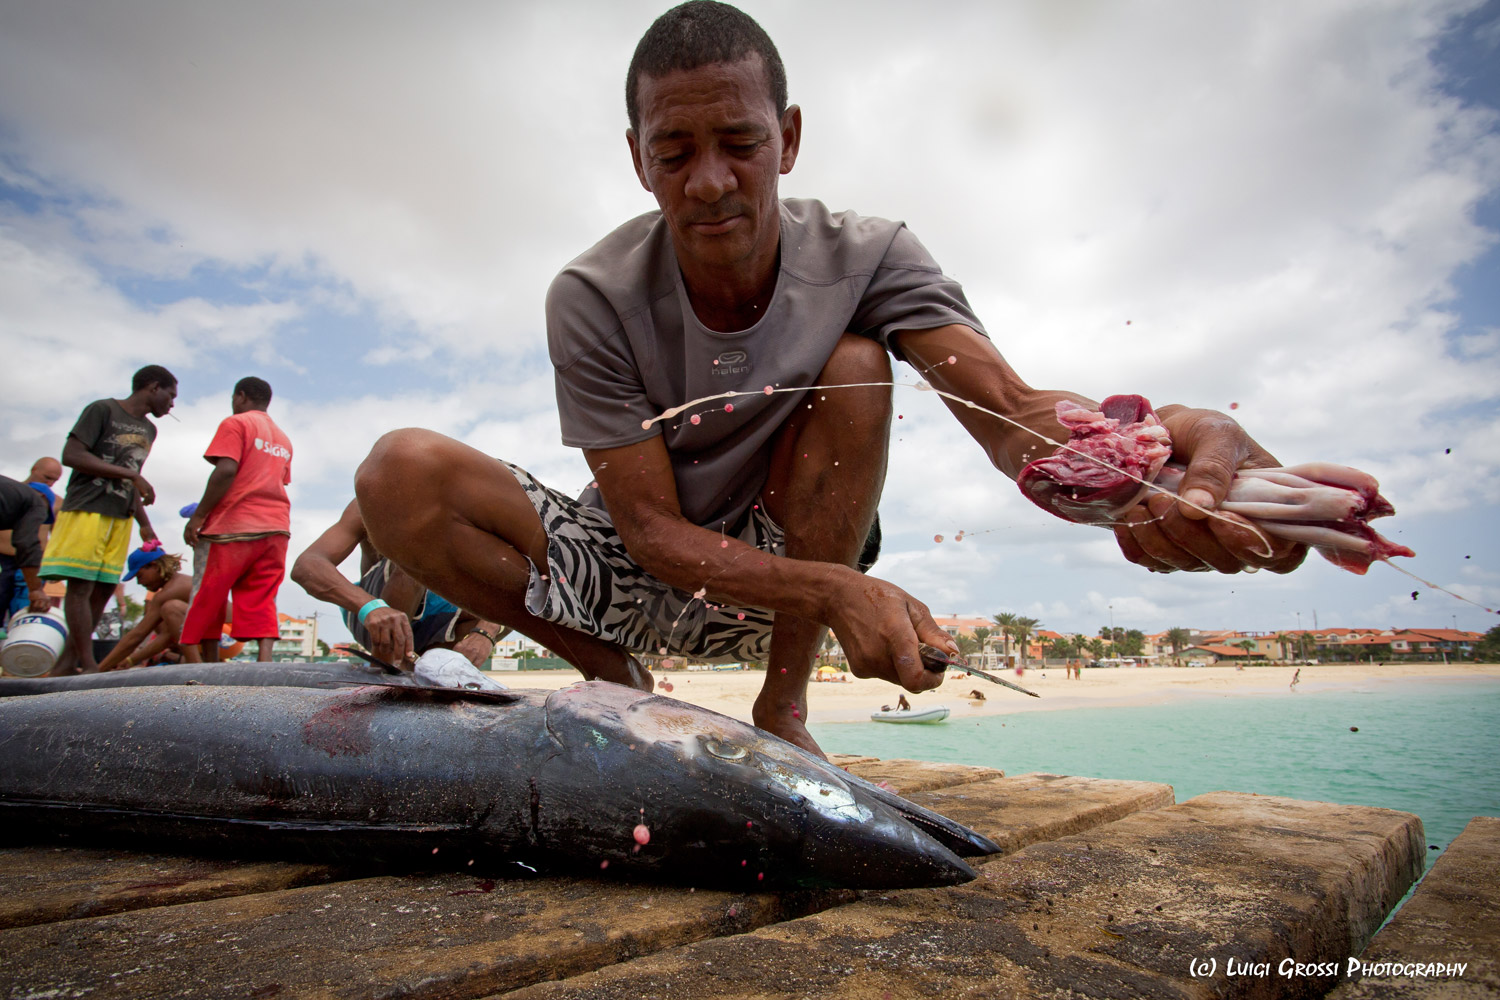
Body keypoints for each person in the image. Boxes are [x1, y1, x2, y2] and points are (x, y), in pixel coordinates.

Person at [352, 1, 1306, 757]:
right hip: (639, 569)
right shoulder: (591, 294)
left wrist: (1149, 464)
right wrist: (840, 591)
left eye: (741, 143)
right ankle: (610, 672)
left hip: (778, 592)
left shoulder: (873, 253)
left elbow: (1010, 417)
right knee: (398, 469)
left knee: (856, 365)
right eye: (674, 153)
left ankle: (784, 701)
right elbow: (645, 531)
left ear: (790, 137)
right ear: (638, 158)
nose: (711, 182)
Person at [39, 365, 176, 673]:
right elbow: (72, 455)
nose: (172, 404)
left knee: (102, 590)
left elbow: (133, 476)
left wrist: (144, 522)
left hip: (120, 516)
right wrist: (130, 475)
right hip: (88, 509)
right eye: (171, 395)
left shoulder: (150, 430)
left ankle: (65, 665)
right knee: (81, 587)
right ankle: (88, 664)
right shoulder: (102, 410)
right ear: (154, 387)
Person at [291, 499, 508, 668]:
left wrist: (486, 632)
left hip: (432, 618)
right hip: (376, 615)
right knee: (415, 551)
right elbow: (307, 565)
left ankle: (432, 669)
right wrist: (369, 606)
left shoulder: (465, 508)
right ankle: (390, 666)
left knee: (525, 603)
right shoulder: (371, 501)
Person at [180, 377, 292, 663]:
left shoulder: (236, 423)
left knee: (210, 594)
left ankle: (208, 664)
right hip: (276, 528)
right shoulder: (283, 439)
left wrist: (199, 516)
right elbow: (280, 480)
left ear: (240, 396)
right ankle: (265, 663)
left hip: (234, 527)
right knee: (263, 595)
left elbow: (226, 471)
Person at [97, 545, 194, 671]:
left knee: (170, 608)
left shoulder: (169, 593)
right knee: (168, 612)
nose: (139, 583)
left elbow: (137, 635)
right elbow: (166, 636)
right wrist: (130, 660)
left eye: (139, 576)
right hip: (220, 639)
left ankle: (195, 665)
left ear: (154, 566)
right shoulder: (179, 581)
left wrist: (98, 669)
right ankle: (197, 664)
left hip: (223, 638)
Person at [0, 474, 58, 622]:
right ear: (43, 498)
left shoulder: (9, 496)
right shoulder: (36, 502)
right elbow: (26, 543)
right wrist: (36, 590)